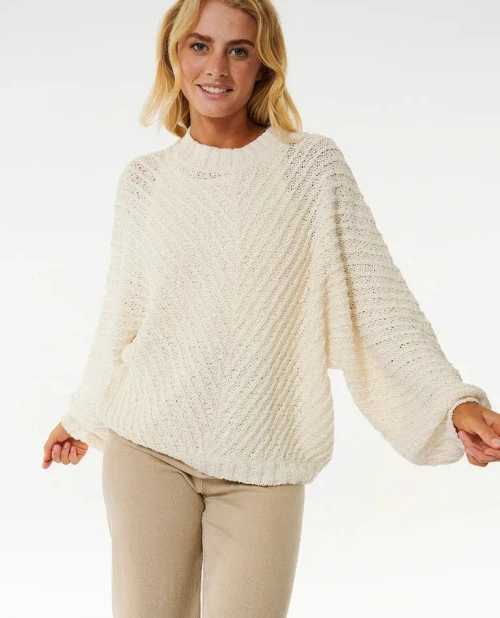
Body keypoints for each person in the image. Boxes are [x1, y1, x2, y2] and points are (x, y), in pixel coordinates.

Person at [42, 0, 499, 616]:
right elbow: (121, 316)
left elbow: (377, 303)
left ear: (264, 65)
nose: (217, 67)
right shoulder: (144, 182)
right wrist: (81, 415)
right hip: (147, 445)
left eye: (238, 50)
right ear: (174, 55)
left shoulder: (311, 169)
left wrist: (451, 404)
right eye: (199, 45)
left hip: (265, 458)